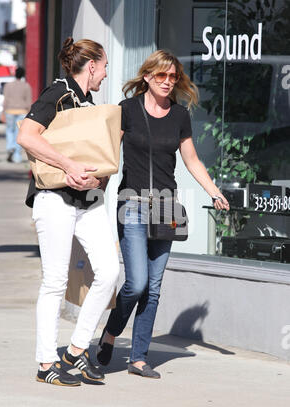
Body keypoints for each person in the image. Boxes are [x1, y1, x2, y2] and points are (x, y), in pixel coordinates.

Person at [96, 49, 230, 379]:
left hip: (168, 206)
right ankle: (111, 332)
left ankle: (138, 358)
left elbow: (192, 160)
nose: (168, 82)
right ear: (147, 77)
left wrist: (213, 191)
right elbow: (111, 156)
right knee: (137, 283)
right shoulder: (127, 110)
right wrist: (93, 194)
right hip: (132, 203)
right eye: (161, 76)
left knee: (153, 288)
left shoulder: (180, 116)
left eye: (173, 77)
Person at [17, 37, 120, 387]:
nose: (106, 74)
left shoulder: (86, 101)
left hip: (87, 202)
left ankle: (75, 349)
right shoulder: (57, 93)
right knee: (55, 282)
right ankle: (46, 363)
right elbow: (26, 135)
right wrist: (68, 165)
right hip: (54, 198)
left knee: (108, 272)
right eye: (104, 66)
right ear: (91, 66)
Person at [2, 67, 32, 163]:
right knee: (19, 133)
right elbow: (28, 101)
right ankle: (17, 156)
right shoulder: (26, 86)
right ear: (23, 75)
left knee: (9, 130)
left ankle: (10, 147)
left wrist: (3, 112)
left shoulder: (8, 85)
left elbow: (5, 100)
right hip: (22, 111)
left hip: (9, 110)